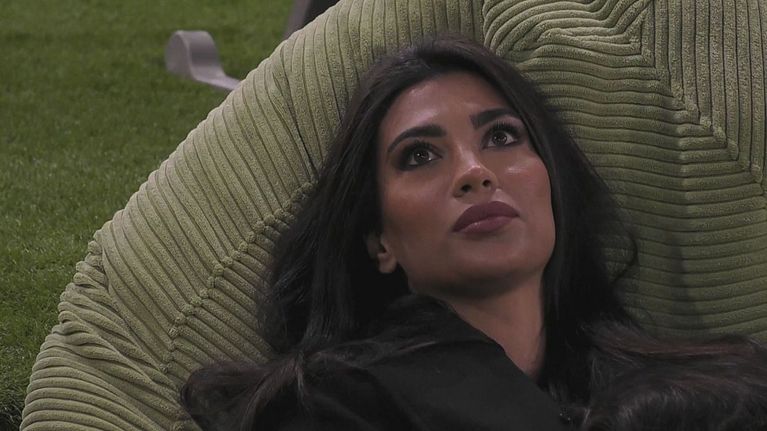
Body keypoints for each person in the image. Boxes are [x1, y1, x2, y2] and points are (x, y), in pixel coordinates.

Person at [181, 35, 767, 430]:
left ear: (551, 183)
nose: (474, 171)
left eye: (502, 137)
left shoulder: (689, 390)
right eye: (419, 156)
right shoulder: (334, 402)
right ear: (379, 242)